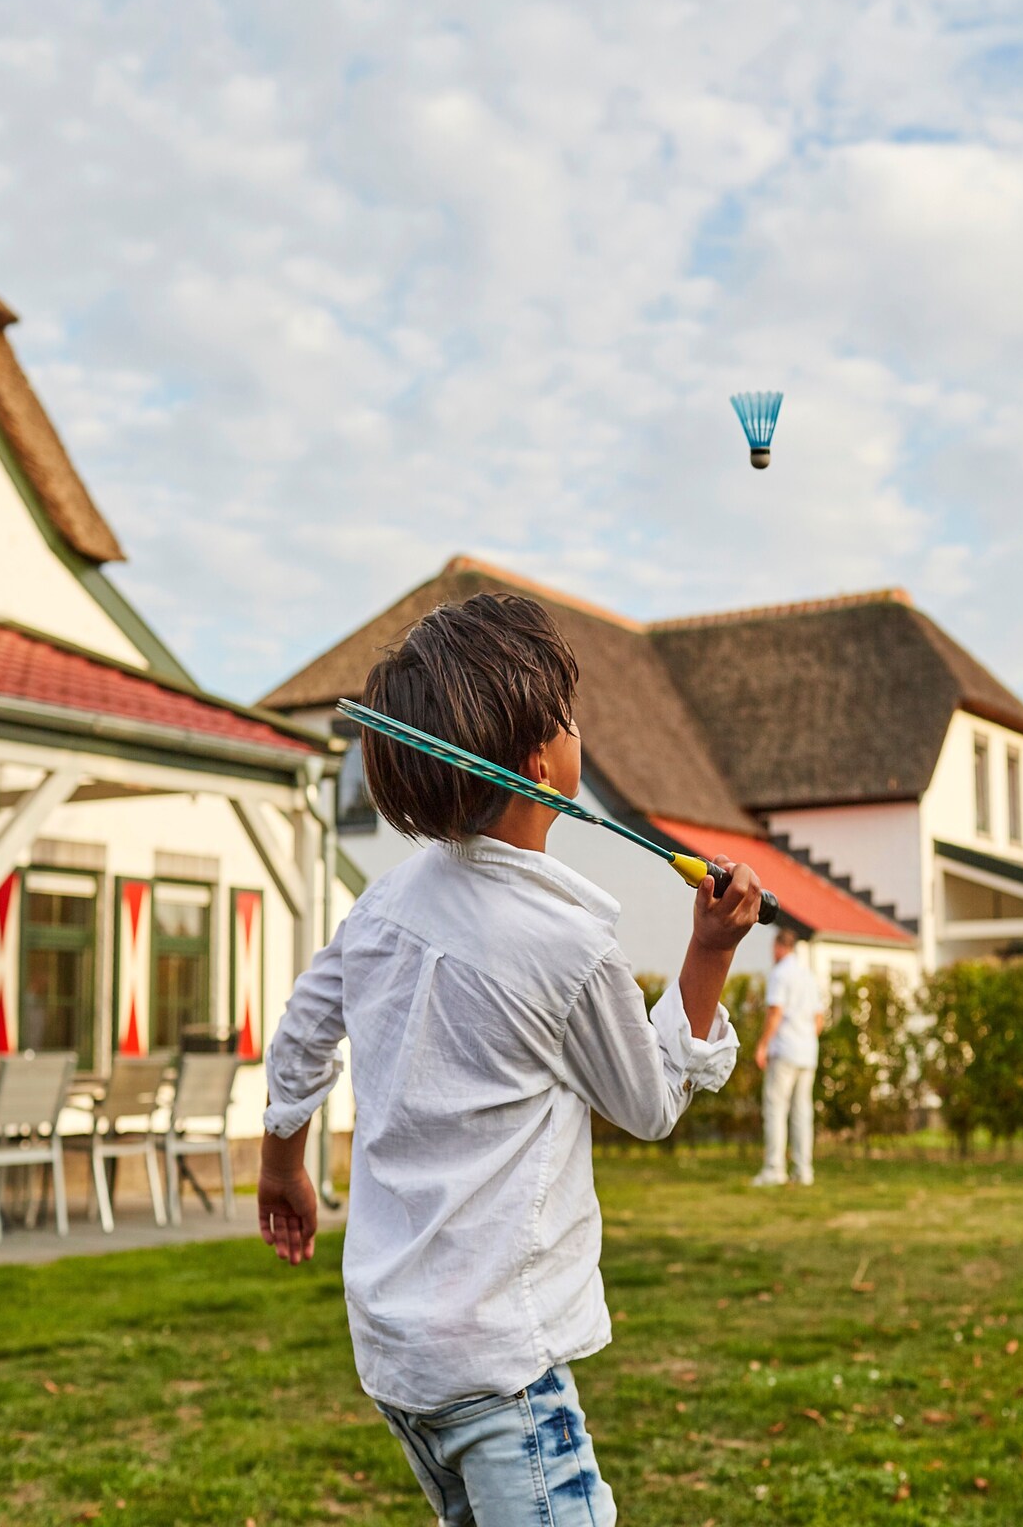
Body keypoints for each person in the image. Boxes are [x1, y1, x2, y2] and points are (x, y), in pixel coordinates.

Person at [256, 592, 765, 1527]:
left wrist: (283, 1167)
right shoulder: (568, 948)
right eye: (569, 718)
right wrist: (708, 957)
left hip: (401, 1356)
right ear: (542, 762)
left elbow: (300, 1038)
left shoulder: (381, 906)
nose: (580, 731)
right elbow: (651, 1104)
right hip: (500, 1368)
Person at [751, 926, 824, 1187]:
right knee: (802, 1111)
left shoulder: (780, 974)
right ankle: (804, 1171)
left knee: (776, 1108)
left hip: (785, 1051)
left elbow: (775, 1013)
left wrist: (762, 1045)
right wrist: (806, 1039)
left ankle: (774, 1169)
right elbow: (819, 1019)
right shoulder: (808, 975)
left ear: (780, 947)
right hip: (807, 1052)